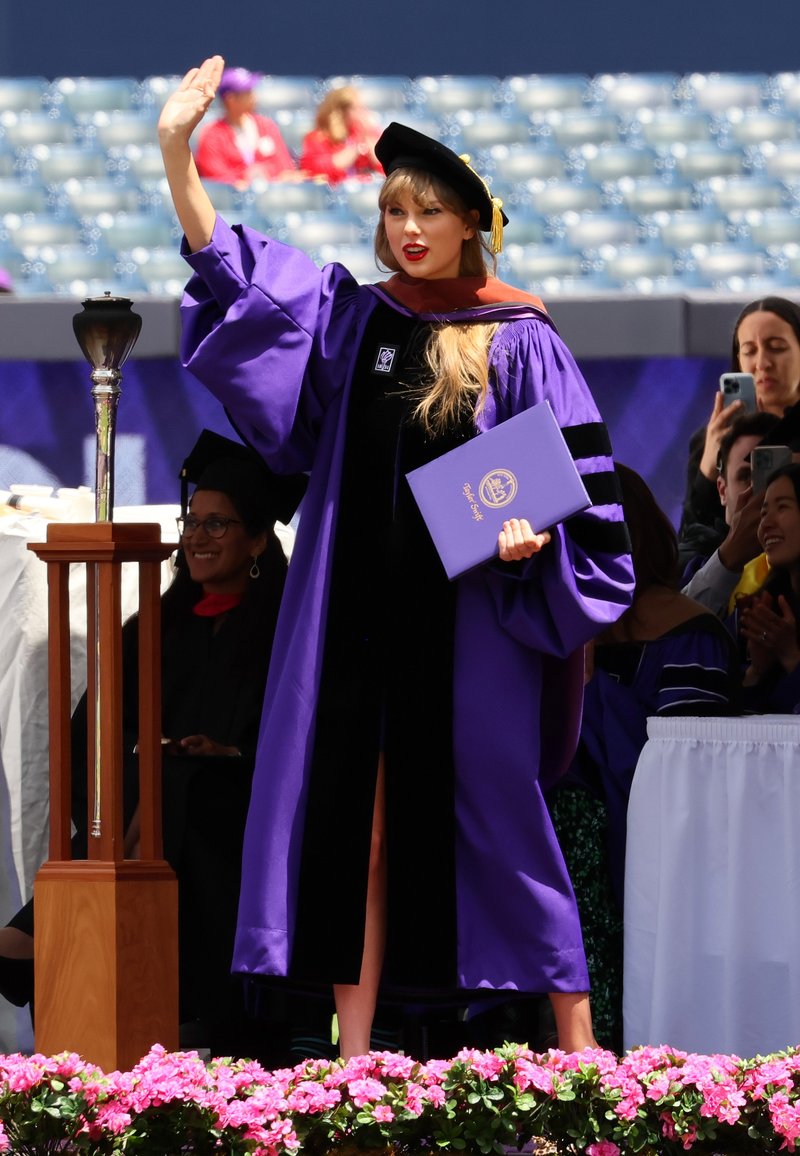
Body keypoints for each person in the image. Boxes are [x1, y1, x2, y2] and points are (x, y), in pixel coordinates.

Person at [158, 55, 634, 1060]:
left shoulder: (519, 337)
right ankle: (354, 1057)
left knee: (505, 829)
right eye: (391, 213)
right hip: (353, 631)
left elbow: (572, 486)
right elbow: (241, 283)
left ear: (472, 223)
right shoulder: (356, 321)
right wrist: (176, 154)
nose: (406, 231)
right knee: (355, 836)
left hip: (471, 632)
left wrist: (529, 541)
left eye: (426, 212)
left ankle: (583, 1048)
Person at [0, 430, 303, 1061]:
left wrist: (230, 754)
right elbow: (95, 737)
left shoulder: (285, 632)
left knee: (182, 778)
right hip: (154, 813)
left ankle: (40, 934)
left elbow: (304, 741)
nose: (196, 537)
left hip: (248, 815)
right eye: (191, 522)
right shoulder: (156, 629)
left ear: (256, 541)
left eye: (217, 524)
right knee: (163, 773)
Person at [549, 464, 741, 1050]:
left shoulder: (690, 635)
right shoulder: (557, 634)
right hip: (579, 855)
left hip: (662, 855)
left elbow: (689, 766)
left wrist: (585, 690)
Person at [681, 296, 800, 536]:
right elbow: (689, 542)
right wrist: (709, 467)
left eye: (776, 347)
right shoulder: (710, 440)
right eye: (749, 351)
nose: (762, 363)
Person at [681, 411, 779, 616]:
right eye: (745, 476)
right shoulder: (687, 561)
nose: (758, 489)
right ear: (722, 490)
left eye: (771, 475)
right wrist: (728, 559)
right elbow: (674, 634)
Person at [737, 463, 800, 712]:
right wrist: (757, 669)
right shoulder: (762, 608)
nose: (767, 524)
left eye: (782, 507)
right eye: (763, 513)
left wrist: (790, 655)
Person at [194, 66, 297, 189]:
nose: (253, 97)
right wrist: (247, 178)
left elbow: (285, 167)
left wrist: (263, 175)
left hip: (272, 199)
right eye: (247, 93)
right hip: (232, 203)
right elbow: (216, 176)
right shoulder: (212, 134)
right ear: (230, 99)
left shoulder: (267, 126)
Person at [299, 85, 381, 185]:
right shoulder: (315, 139)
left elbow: (385, 167)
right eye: (357, 108)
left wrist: (369, 135)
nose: (364, 113)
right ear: (342, 112)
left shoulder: (366, 134)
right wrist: (356, 146)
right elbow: (317, 169)